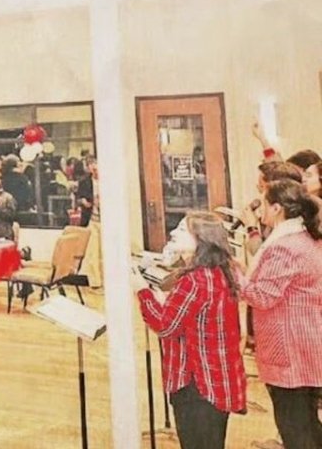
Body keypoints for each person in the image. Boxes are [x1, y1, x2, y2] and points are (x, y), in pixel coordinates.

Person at [136, 212, 246, 449]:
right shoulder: (222, 271)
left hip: (196, 382)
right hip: (217, 378)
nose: (173, 233)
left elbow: (165, 326)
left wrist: (142, 292)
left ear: (201, 239)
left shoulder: (194, 280)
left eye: (181, 230)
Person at [238, 180, 322, 448]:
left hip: (290, 348)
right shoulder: (306, 238)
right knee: (307, 423)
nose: (259, 209)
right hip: (305, 341)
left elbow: (262, 296)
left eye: (263, 203)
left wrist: (234, 276)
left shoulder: (284, 246)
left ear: (277, 208)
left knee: (295, 428)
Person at [76, 156, 98, 226]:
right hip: (89, 218)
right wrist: (83, 201)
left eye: (95, 163)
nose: (94, 166)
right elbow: (78, 199)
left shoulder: (109, 181)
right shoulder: (83, 182)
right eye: (90, 164)